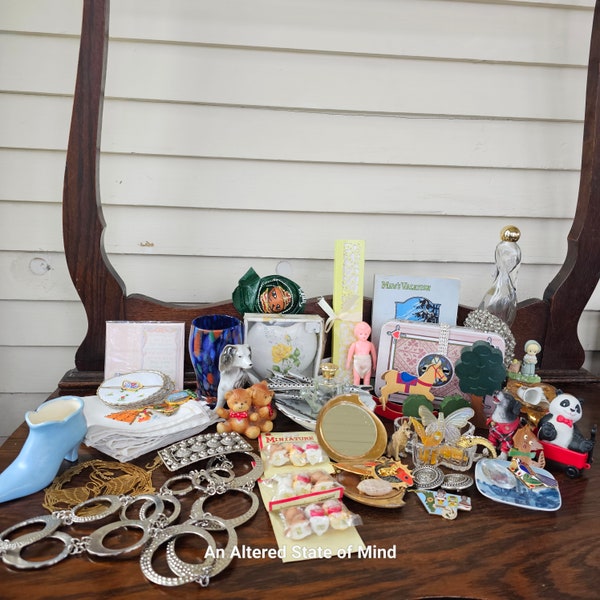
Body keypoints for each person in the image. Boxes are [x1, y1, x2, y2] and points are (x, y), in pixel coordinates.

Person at [346, 321, 377, 386]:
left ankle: (366, 393)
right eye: (361, 334)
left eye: (366, 334)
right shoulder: (354, 344)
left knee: (367, 380)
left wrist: (375, 364)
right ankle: (355, 392)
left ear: (369, 334)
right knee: (356, 379)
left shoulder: (370, 344)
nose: (363, 336)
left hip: (367, 364)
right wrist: (348, 363)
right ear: (357, 334)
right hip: (357, 364)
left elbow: (374, 355)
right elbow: (350, 354)